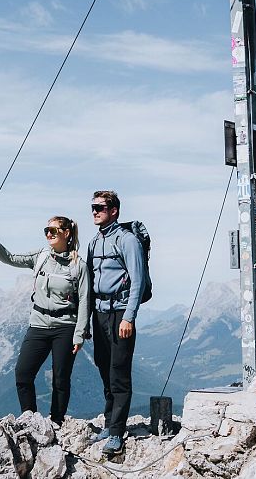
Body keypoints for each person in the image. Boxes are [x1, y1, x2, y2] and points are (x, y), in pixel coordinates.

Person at [0, 216, 91, 426]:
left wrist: (80, 334)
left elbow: (85, 300)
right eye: (46, 230)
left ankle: (56, 422)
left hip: (65, 327)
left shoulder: (79, 266)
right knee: (22, 373)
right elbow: (8, 257)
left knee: (60, 378)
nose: (48, 234)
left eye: (53, 230)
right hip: (38, 323)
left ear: (66, 233)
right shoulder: (40, 257)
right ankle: (31, 421)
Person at [86, 189, 144, 456]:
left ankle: (117, 433)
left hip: (120, 312)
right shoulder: (94, 243)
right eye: (93, 207)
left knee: (119, 371)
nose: (95, 211)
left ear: (114, 211)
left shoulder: (127, 240)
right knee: (103, 367)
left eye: (99, 207)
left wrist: (129, 317)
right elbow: (87, 285)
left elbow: (138, 280)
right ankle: (109, 423)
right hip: (99, 313)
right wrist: (86, 321)